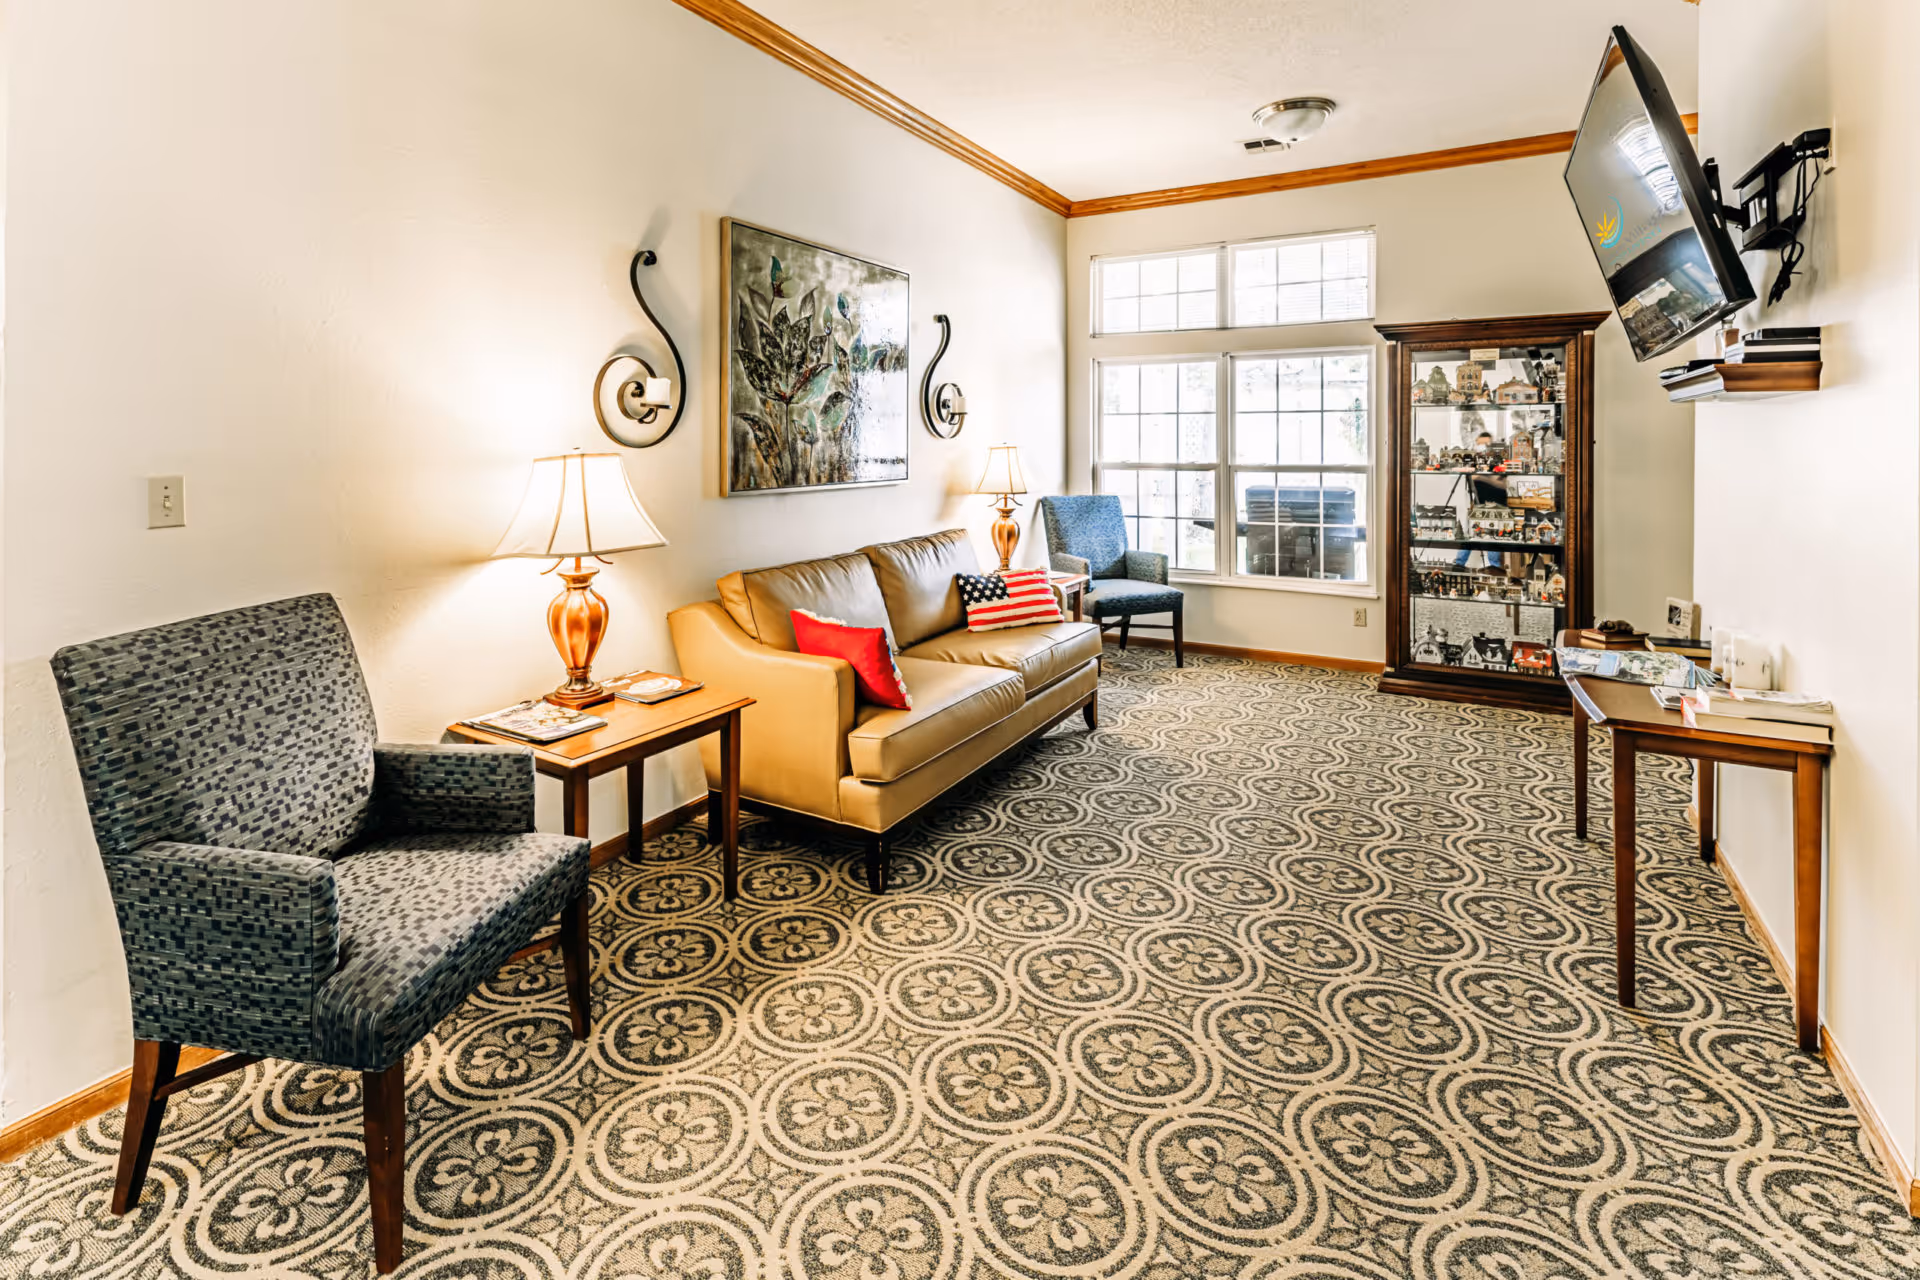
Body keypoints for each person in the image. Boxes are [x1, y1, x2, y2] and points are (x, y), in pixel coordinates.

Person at [1453, 431, 1505, 570]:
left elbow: (1501, 484)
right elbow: (1459, 470)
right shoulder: (1475, 461)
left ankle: (1494, 568)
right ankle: (1459, 565)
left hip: (1496, 506)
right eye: (1481, 444)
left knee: (1492, 537)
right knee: (1469, 535)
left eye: (1487, 444)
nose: (1484, 448)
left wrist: (1480, 476)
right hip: (1477, 505)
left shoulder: (1498, 461)